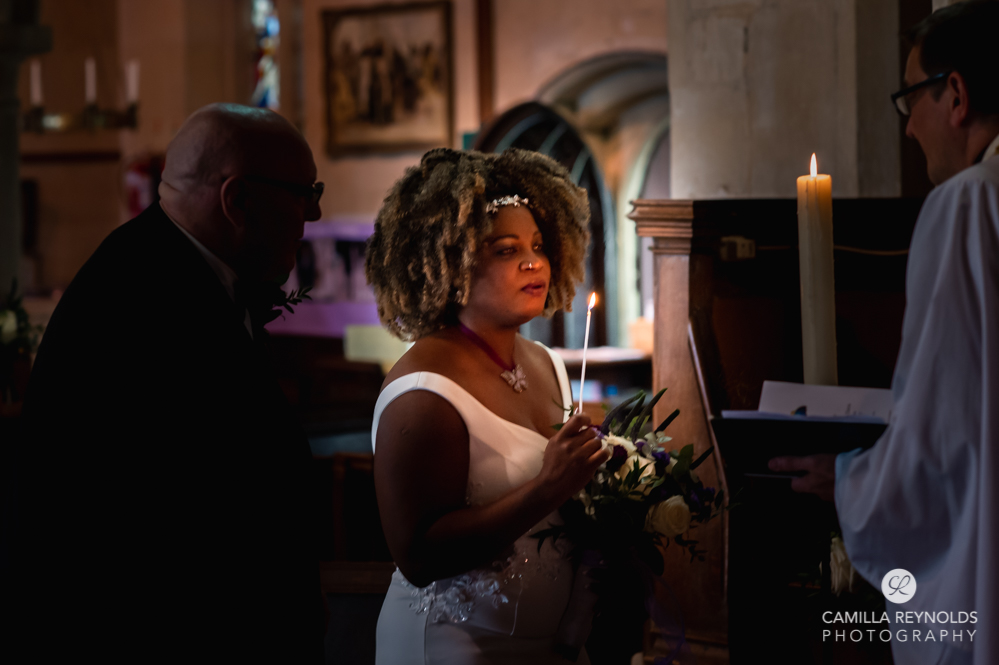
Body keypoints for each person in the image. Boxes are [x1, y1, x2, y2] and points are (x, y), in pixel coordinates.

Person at [12, 104, 325, 663]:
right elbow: (163, 514)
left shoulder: (189, 271)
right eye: (304, 193)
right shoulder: (139, 298)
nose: (315, 215)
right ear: (237, 200)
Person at [769, 2, 999, 664]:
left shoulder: (969, 203)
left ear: (953, 93)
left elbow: (945, 433)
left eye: (908, 100)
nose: (907, 130)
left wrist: (847, 481)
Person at [365, 148, 609, 664]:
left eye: (539, 245)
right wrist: (548, 486)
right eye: (505, 250)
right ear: (450, 262)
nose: (533, 262)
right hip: (451, 643)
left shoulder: (549, 363)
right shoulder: (423, 392)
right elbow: (418, 555)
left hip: (549, 645)